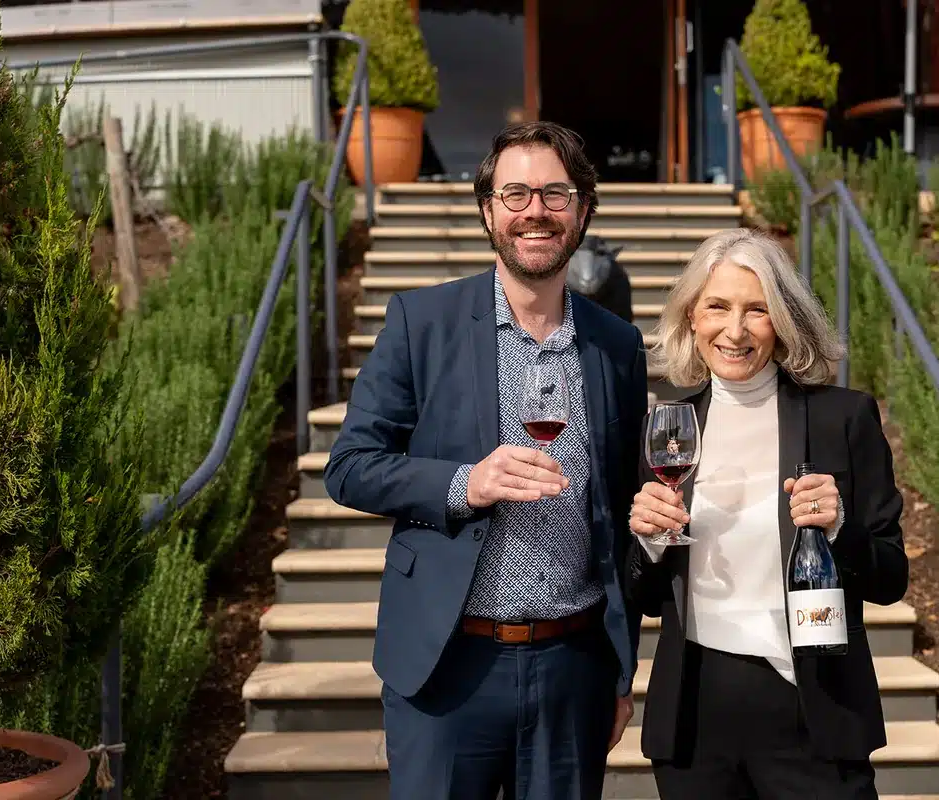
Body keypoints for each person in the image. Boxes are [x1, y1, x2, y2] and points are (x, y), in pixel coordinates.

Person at [323, 122, 649, 799]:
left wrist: (621, 667)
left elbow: (619, 510)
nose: (536, 210)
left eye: (555, 193)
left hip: (574, 665)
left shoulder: (618, 345)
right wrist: (463, 483)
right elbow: (350, 465)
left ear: (582, 209)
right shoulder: (423, 322)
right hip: (447, 667)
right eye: (516, 192)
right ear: (488, 210)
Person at [625, 228, 908, 799]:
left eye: (757, 310)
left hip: (812, 713)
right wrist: (648, 543)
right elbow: (646, 594)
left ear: (784, 321)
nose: (735, 330)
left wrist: (839, 528)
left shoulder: (843, 420)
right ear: (691, 319)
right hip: (695, 717)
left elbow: (890, 578)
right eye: (717, 307)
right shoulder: (668, 430)